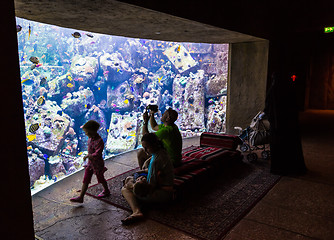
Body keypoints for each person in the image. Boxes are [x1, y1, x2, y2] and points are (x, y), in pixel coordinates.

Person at [121, 133, 174, 225]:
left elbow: (150, 187)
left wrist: (133, 185)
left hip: (163, 194)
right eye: (144, 147)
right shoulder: (162, 152)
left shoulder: (156, 161)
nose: (145, 151)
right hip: (166, 188)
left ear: (154, 145)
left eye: (147, 147)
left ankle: (136, 211)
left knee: (125, 189)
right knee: (129, 178)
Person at [70, 120, 110, 203]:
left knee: (101, 178)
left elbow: (98, 153)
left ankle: (106, 191)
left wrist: (89, 156)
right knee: (86, 179)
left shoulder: (100, 141)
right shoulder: (90, 139)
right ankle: (81, 197)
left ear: (92, 131)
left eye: (86, 132)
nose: (85, 133)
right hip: (90, 163)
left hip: (98, 164)